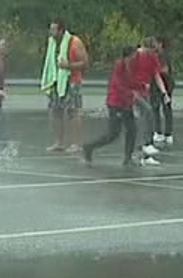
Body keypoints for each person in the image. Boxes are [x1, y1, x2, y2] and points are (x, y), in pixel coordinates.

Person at [82, 46, 142, 167]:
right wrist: (130, 93)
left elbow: (130, 82)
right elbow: (117, 84)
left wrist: (141, 86)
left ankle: (128, 158)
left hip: (126, 103)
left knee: (132, 129)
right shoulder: (119, 66)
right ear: (128, 56)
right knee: (113, 134)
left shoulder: (130, 67)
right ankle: (89, 147)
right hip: (116, 103)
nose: (135, 58)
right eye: (134, 56)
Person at [41, 18, 87, 154]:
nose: (51, 32)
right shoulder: (51, 43)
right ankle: (58, 142)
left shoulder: (74, 42)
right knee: (56, 112)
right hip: (55, 81)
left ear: (61, 30)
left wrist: (68, 66)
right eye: (50, 29)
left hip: (72, 80)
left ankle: (77, 143)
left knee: (73, 112)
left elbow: (85, 63)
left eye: (53, 29)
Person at [129, 37, 165, 165]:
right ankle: (145, 145)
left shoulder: (152, 57)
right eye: (150, 50)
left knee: (145, 119)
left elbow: (156, 75)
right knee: (147, 112)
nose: (152, 53)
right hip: (134, 91)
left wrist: (164, 92)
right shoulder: (135, 56)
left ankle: (144, 154)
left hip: (145, 92)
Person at [153, 36, 176, 145]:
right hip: (157, 85)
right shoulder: (156, 55)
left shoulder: (163, 56)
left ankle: (167, 134)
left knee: (166, 109)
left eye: (155, 43)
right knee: (155, 108)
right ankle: (159, 132)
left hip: (166, 85)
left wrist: (154, 69)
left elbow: (165, 70)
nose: (154, 45)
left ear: (160, 44)